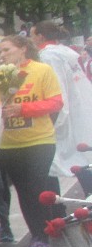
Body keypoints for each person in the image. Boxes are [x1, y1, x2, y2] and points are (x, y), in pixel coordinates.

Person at [0, 34, 65, 247]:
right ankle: (38, 234)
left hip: (39, 141)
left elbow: (56, 102)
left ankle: (46, 234)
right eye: (0, 51)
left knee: (36, 189)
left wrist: (23, 109)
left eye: (7, 49)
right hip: (9, 144)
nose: (2, 55)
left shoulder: (42, 70)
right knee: (23, 193)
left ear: (23, 49)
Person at [32, 20, 92, 180]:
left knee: (73, 156)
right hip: (82, 102)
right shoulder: (63, 50)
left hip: (68, 108)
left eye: (32, 35)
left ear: (40, 36)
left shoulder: (48, 56)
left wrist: (57, 118)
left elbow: (58, 86)